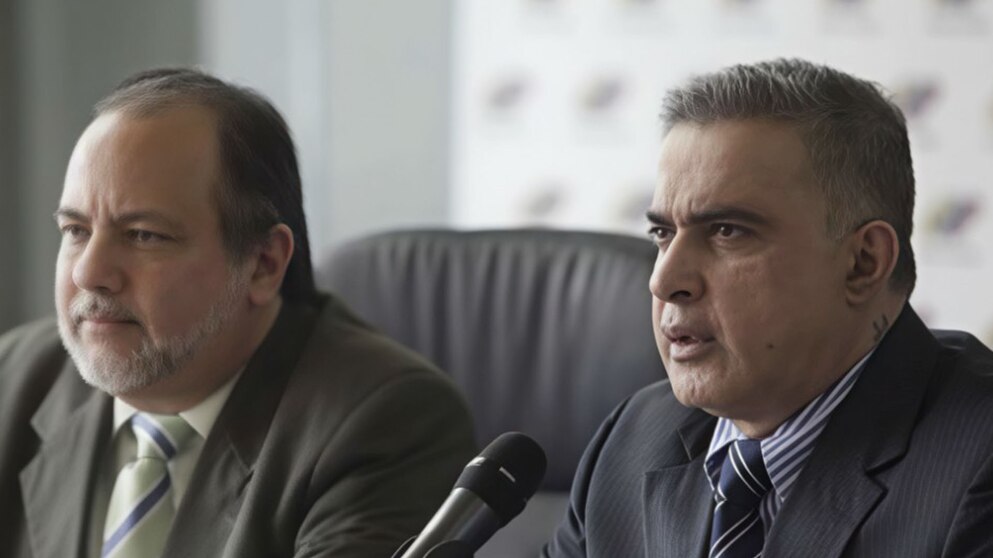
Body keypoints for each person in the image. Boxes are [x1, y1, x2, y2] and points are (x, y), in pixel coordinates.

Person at [0, 68, 476, 558]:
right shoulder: (13, 379)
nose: (89, 273)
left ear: (263, 264)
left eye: (144, 235)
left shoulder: (387, 423)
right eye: (76, 231)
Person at [543, 58, 993, 557]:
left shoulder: (978, 464)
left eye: (727, 231)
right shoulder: (634, 438)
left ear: (862, 263)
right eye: (663, 234)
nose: (663, 280)